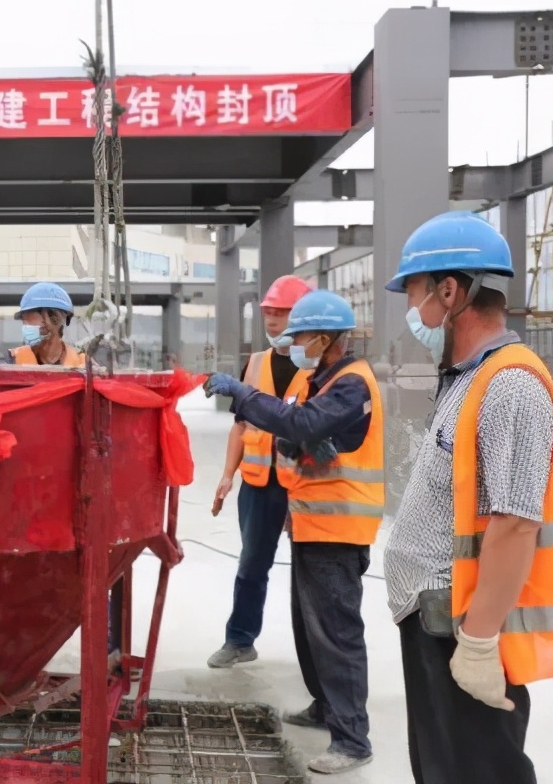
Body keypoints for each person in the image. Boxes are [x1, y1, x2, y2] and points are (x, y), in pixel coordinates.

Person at [382, 211, 553, 784]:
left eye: (418, 294)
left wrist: (477, 642)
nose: (413, 311)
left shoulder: (510, 385)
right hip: (438, 619)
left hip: (466, 626)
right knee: (443, 768)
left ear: (451, 292)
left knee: (475, 771)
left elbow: (517, 524)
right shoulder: (470, 378)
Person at [204, 289, 382, 775]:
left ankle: (351, 739)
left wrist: (243, 394)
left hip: (338, 525)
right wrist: (300, 441)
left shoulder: (351, 383)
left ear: (324, 338)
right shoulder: (320, 380)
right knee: (309, 627)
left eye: (299, 334)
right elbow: (304, 434)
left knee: (336, 633)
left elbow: (300, 422)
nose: (291, 342)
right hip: (311, 520)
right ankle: (325, 707)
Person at [206, 275, 313, 669]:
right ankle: (239, 639)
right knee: (252, 564)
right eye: (268, 313)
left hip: (303, 485)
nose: (272, 321)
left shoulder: (318, 369)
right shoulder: (254, 363)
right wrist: (226, 474)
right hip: (258, 484)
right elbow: (240, 425)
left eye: (281, 313)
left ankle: (315, 651)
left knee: (311, 573)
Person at [9, 282, 86, 367]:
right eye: (24, 320)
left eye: (30, 319)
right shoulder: (13, 359)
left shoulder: (82, 363)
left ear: (54, 320)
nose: (26, 327)